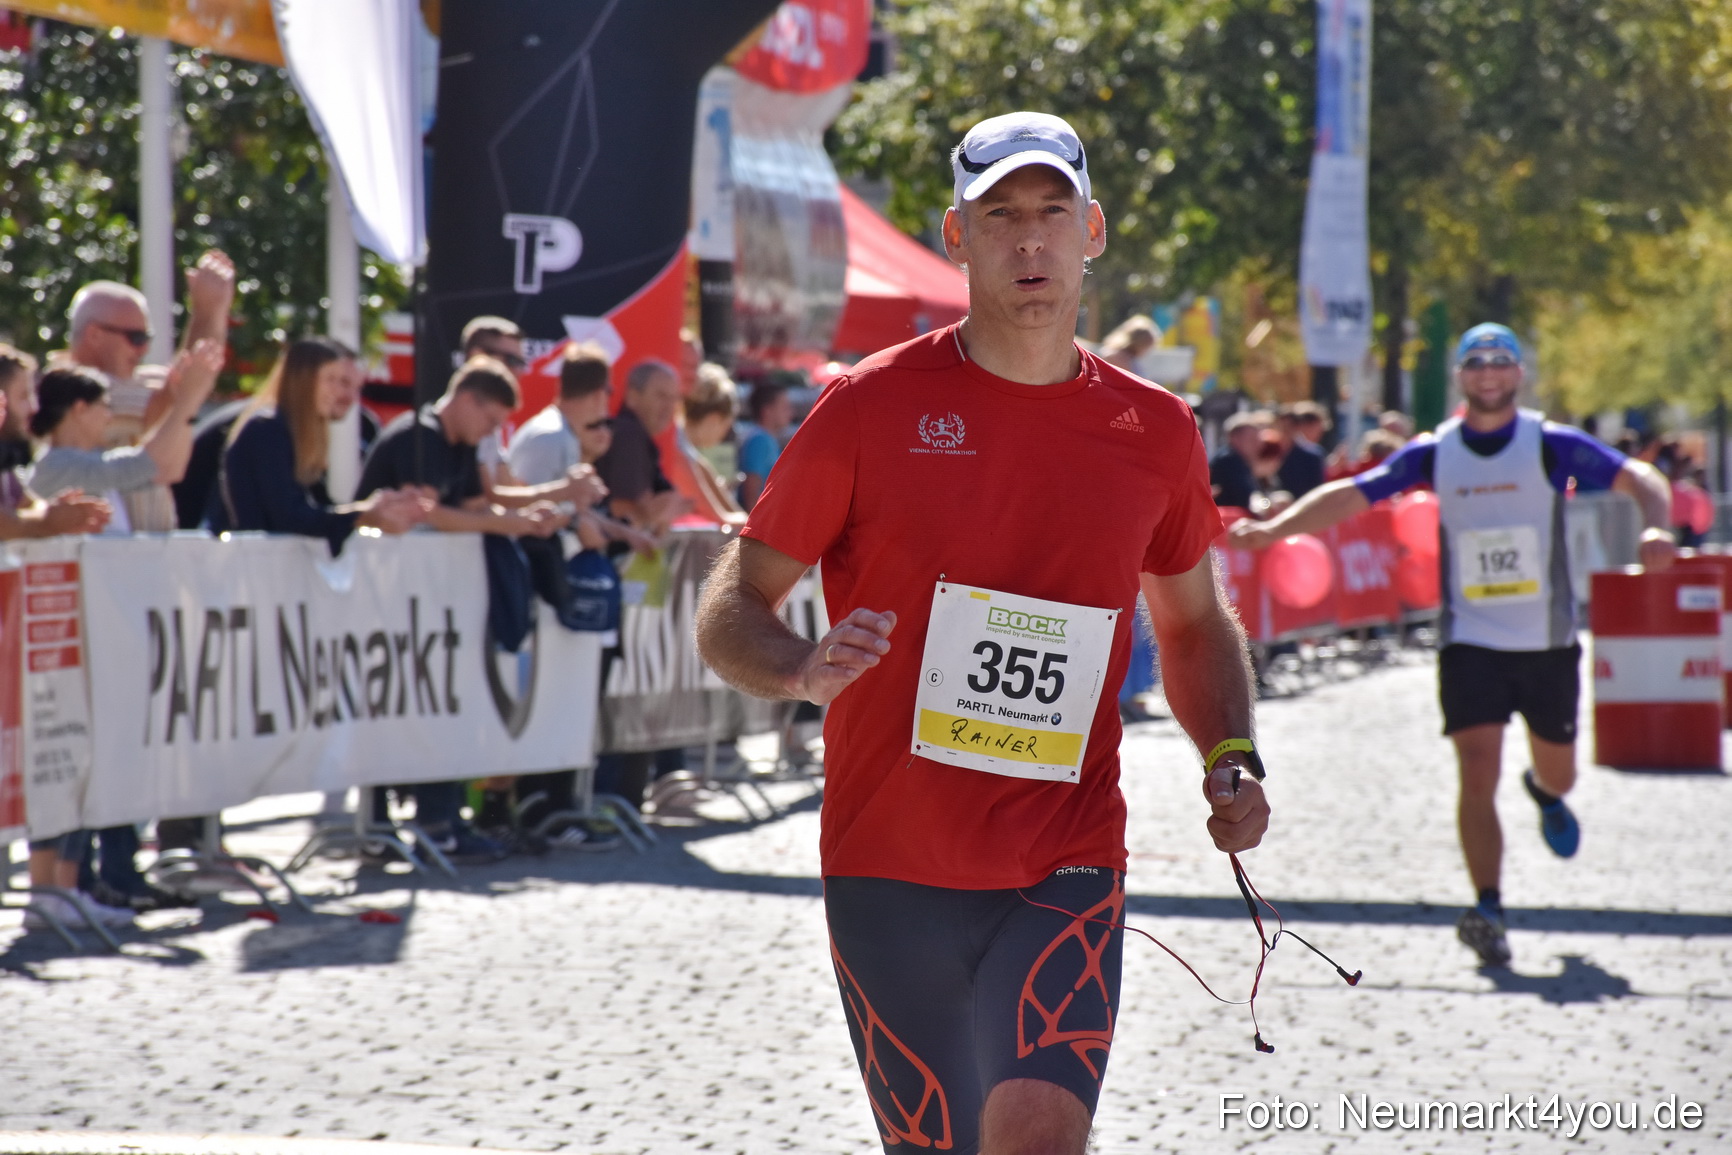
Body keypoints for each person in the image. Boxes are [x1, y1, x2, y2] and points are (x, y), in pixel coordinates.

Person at [695, 110, 1268, 1155]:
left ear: (1092, 231)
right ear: (956, 238)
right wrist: (800, 669)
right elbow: (733, 604)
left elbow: (1192, 623)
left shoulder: (1155, 430)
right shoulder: (867, 408)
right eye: (999, 216)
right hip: (889, 864)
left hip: (1066, 861)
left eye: (1051, 212)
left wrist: (1230, 753)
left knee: (1040, 1135)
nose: (1029, 239)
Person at [1230, 322, 1675, 969]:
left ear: (1518, 373)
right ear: (1462, 375)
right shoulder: (1436, 451)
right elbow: (1352, 494)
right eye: (1475, 362)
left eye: (1500, 361)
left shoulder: (1549, 443)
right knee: (1476, 769)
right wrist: (1276, 529)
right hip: (1471, 642)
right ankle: (1488, 906)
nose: (1488, 372)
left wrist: (1657, 525)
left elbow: (1641, 478)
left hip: (1547, 644)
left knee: (1560, 772)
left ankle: (1545, 791)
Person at [356, 355, 566, 864]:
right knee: (395, 712)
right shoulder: (420, 437)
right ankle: (383, 826)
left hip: (436, 608)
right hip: (389, 604)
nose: (492, 432)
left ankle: (440, 819)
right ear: (467, 399)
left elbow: (471, 508)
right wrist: (514, 524)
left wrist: (524, 514)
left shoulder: (459, 442)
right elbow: (434, 516)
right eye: (490, 419)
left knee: (445, 707)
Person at [61, 250, 236, 531]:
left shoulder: (136, 384)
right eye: (135, 337)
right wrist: (208, 312)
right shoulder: (65, 392)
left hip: (140, 552)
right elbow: (181, 388)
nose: (143, 349)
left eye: (147, 338)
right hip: (100, 554)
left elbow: (185, 382)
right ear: (94, 334)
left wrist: (211, 312)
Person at [211, 337, 431, 551]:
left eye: (355, 387)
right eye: (334, 380)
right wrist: (364, 514)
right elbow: (290, 517)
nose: (347, 396)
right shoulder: (267, 430)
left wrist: (381, 507)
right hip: (247, 564)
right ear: (303, 379)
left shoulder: (294, 434)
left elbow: (317, 507)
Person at [594, 359, 691, 533]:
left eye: (674, 398)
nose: (669, 406)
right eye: (661, 396)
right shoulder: (628, 434)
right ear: (633, 397)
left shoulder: (635, 436)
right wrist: (650, 517)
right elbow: (620, 509)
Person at [679, 363, 748, 527]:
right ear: (714, 419)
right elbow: (722, 518)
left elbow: (730, 511)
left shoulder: (689, 452)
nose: (725, 434)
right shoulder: (680, 447)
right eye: (727, 425)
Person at [735, 381, 792, 511]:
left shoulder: (765, 438)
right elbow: (751, 492)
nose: (790, 412)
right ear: (767, 411)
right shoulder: (760, 440)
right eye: (784, 407)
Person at [1209, 411, 1266, 509]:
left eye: (1258, 439)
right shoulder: (1228, 461)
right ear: (1235, 439)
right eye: (1252, 439)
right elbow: (1247, 497)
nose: (1258, 444)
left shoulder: (1240, 460)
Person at [1273, 400, 1327, 497]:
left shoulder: (1311, 456)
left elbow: (1316, 491)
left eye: (1288, 427)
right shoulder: (1268, 452)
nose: (1284, 431)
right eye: (1281, 427)